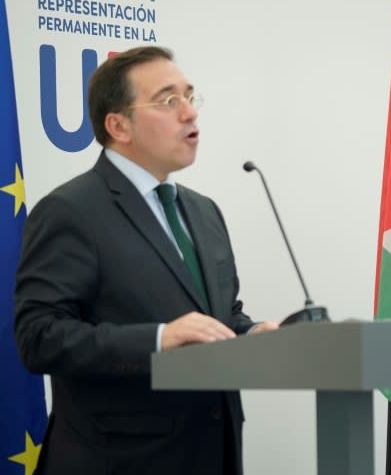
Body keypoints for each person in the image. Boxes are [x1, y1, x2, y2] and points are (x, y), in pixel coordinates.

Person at [14, 46, 278, 475]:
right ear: (118, 125)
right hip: (119, 461)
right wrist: (157, 340)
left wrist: (252, 334)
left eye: (190, 97)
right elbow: (39, 337)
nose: (190, 113)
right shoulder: (71, 210)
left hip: (213, 453)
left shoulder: (203, 211)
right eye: (168, 100)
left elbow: (219, 318)